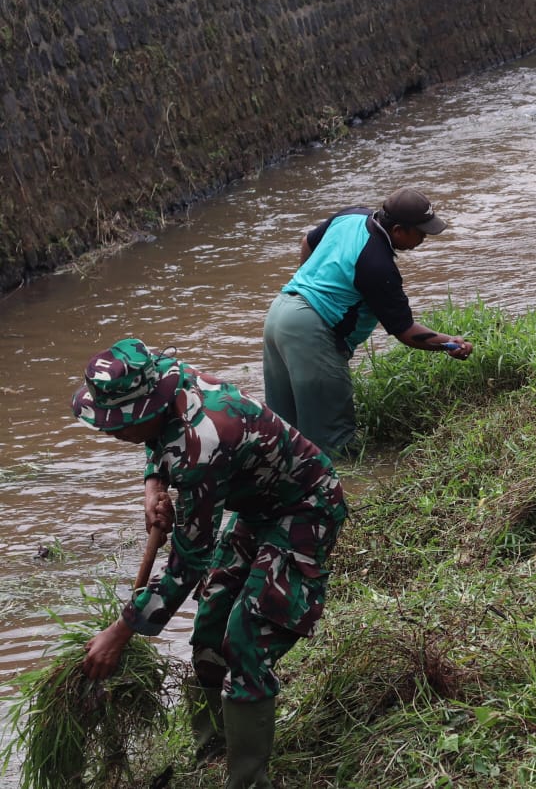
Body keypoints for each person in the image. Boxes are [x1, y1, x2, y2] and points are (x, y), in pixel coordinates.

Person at [75, 338, 346, 789]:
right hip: (257, 507)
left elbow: (188, 563)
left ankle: (246, 781)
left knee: (246, 642)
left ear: (146, 407)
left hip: (305, 507)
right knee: (209, 628)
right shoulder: (165, 379)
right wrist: (153, 484)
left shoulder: (201, 445)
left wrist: (120, 632)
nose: (110, 433)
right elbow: (160, 441)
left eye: (119, 424)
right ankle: (211, 752)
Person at [262, 187, 472, 456]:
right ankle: (343, 492)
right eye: (420, 232)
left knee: (284, 431)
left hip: (281, 312)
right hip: (312, 331)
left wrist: (309, 281)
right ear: (398, 230)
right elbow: (405, 331)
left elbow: (307, 242)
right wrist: (450, 344)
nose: (424, 238)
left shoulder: (352, 216)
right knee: (333, 441)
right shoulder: (378, 265)